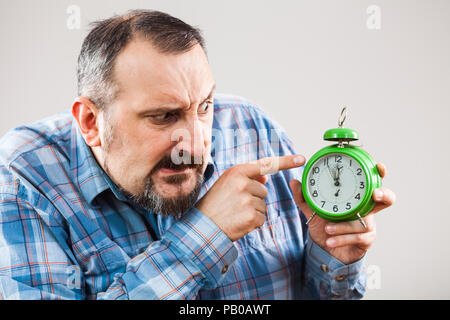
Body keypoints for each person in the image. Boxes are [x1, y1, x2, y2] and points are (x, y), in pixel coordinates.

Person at [0, 9, 395, 300]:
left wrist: (331, 257)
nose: (196, 144)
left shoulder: (248, 125)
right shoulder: (24, 177)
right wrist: (204, 235)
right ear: (90, 121)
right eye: (163, 116)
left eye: (204, 106)